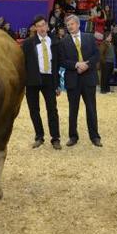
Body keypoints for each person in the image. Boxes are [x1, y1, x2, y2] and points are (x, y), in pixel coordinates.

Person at [59, 14, 101, 147]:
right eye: (68, 25)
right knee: (73, 109)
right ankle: (73, 136)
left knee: (91, 109)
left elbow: (97, 55)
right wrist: (77, 65)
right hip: (73, 79)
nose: (69, 27)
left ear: (77, 24)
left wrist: (87, 65)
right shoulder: (63, 41)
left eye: (71, 24)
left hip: (89, 78)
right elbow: (62, 61)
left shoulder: (89, 37)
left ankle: (95, 137)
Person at [23, 15, 61, 149]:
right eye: (38, 26)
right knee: (34, 110)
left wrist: (57, 84)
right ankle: (39, 136)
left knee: (52, 109)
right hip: (32, 81)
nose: (41, 28)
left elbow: (57, 65)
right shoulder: (28, 43)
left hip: (49, 80)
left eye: (43, 25)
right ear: (35, 28)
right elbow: (23, 64)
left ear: (47, 26)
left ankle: (55, 138)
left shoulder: (55, 42)